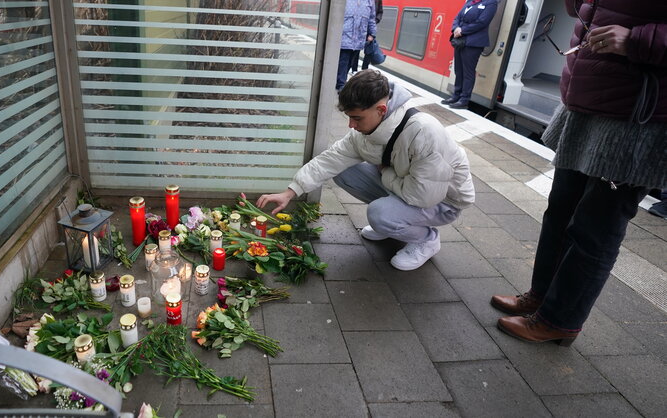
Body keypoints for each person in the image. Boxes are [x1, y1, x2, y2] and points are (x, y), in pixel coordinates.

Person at [491, 0, 667, 346]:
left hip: (634, 113)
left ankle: (560, 320)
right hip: (588, 97)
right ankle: (541, 296)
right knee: (560, 211)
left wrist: (638, 40)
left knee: (595, 229)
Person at [258, 70, 475, 271]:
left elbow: (422, 196)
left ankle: (426, 239)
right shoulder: (367, 131)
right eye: (349, 117)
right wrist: (290, 192)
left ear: (381, 110)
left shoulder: (425, 133)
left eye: (357, 118)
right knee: (343, 171)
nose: (351, 125)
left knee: (379, 214)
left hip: (442, 203)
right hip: (406, 185)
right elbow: (330, 160)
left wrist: (385, 173)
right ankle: (393, 221)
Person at [442, 0, 499, 109]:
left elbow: (482, 22)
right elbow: (457, 18)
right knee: (458, 70)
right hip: (460, 42)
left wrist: (462, 30)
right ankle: (456, 95)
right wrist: (455, 28)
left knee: (468, 72)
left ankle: (464, 99)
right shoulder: (470, 2)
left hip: (474, 43)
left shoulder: (491, 3)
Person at [337, 0, 377, 91]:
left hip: (359, 37)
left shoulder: (369, 1)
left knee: (351, 61)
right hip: (344, 36)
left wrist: (372, 33)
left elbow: (371, 19)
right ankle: (341, 84)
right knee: (344, 60)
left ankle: (340, 82)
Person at [356, 0, 384, 72]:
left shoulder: (378, 1)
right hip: (360, 27)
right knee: (356, 48)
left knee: (369, 49)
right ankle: (354, 68)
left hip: (370, 28)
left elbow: (380, 12)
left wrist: (375, 21)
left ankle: (364, 69)